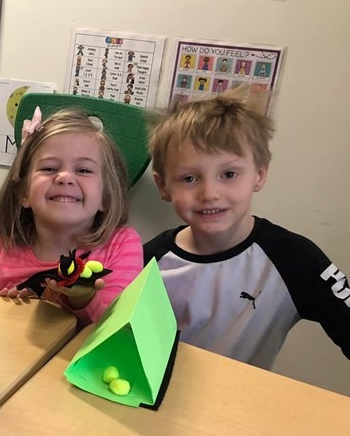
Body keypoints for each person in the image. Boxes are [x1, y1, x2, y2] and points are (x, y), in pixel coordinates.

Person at [144, 88, 350, 369]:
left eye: (228, 174)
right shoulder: (148, 261)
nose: (210, 193)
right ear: (163, 186)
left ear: (259, 175)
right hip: (162, 403)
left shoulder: (294, 258)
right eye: (189, 178)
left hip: (243, 406)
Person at [0, 108, 143, 327]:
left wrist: (82, 300)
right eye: (50, 168)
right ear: (24, 192)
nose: (64, 177)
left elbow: (115, 332)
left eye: (84, 170)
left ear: (106, 197)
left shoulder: (121, 244)